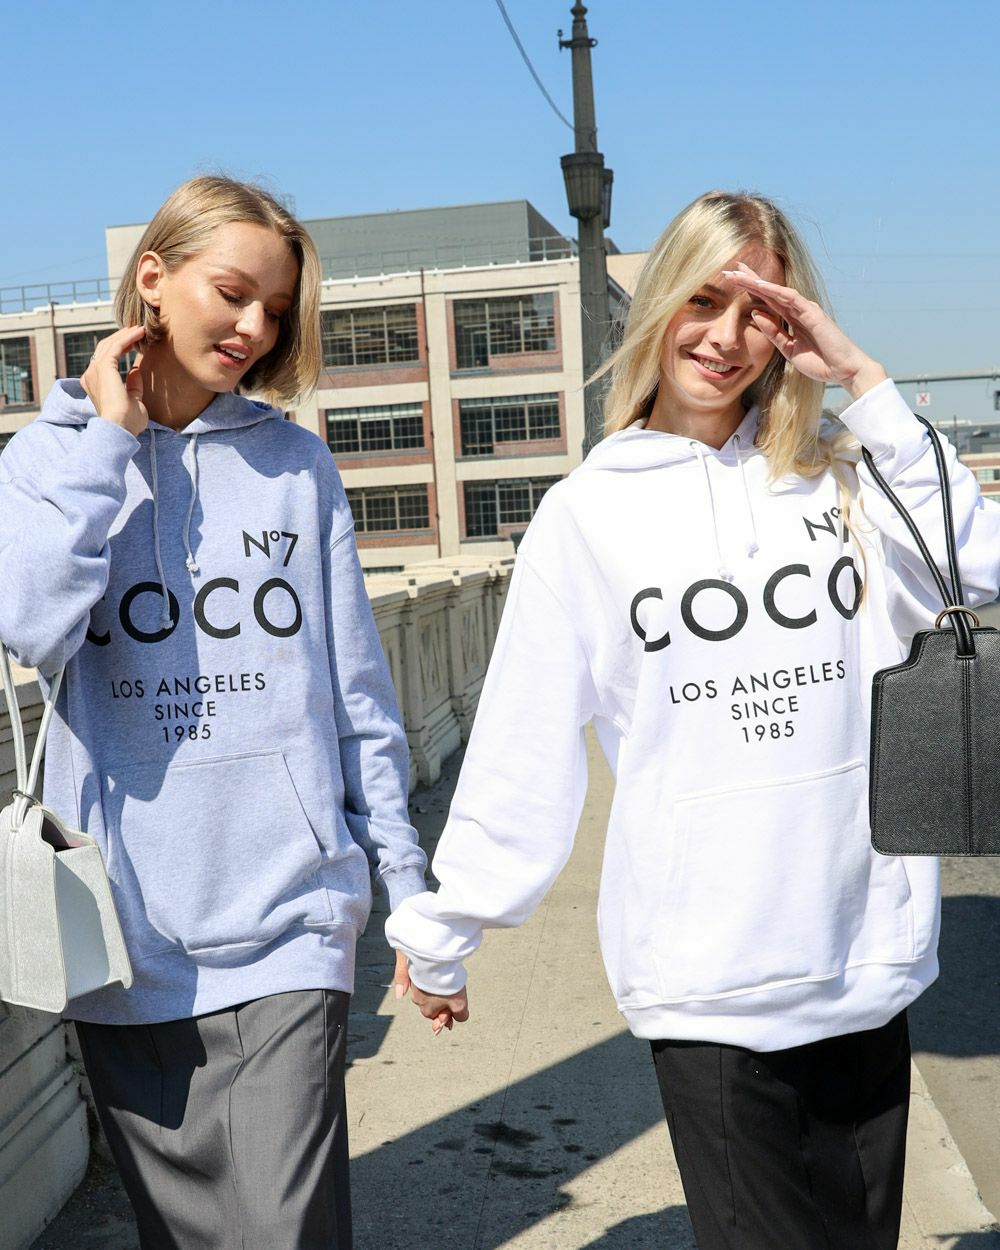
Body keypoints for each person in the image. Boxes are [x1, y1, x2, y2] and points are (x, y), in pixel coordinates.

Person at [385, 189, 1000, 1249]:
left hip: (863, 955)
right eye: (704, 299)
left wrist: (863, 383)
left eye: (760, 309)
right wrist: (446, 930)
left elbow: (979, 568)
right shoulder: (586, 516)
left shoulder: (846, 478)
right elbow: (524, 745)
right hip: (709, 981)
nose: (725, 336)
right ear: (659, 303)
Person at [0, 175, 426, 1249]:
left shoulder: (293, 463)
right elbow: (30, 623)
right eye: (234, 294)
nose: (254, 329)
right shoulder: (44, 460)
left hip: (292, 919)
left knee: (284, 1232)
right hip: (124, 934)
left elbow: (355, 694)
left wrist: (408, 886)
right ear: (152, 277)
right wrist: (108, 444)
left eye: (274, 310)